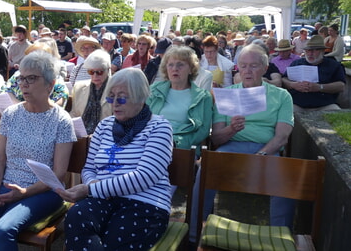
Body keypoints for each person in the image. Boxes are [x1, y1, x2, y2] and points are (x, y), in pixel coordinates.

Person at [0, 51, 76, 250]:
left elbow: (58, 174)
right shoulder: (11, 114)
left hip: (44, 191)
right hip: (7, 186)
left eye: (31, 78)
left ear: (50, 85)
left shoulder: (62, 120)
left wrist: (23, 193)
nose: (23, 84)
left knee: (3, 229)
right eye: (22, 78)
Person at [56, 68, 173, 250]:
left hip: (143, 203)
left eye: (122, 97)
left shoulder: (159, 127)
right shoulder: (104, 126)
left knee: (116, 238)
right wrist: (93, 185)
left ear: (140, 97)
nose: (115, 103)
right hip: (103, 199)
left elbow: (145, 176)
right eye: (111, 97)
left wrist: (92, 188)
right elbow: (89, 169)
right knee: (77, 216)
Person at [189, 43, 295, 244]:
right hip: (231, 147)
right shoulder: (227, 94)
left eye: (254, 66)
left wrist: (260, 156)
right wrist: (231, 129)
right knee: (206, 168)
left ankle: (281, 238)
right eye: (243, 66)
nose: (247, 71)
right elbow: (217, 139)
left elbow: (282, 137)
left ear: (264, 68)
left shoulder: (281, 96)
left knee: (285, 174)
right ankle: (194, 235)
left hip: (267, 149)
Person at [147, 46, 212, 157]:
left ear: (191, 69)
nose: (174, 69)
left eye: (180, 64)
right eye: (170, 65)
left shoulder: (203, 97)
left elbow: (203, 131)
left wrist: (177, 142)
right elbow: (142, 119)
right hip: (151, 143)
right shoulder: (154, 90)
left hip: (182, 150)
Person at [282, 35, 346, 112]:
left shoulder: (333, 65)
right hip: (297, 104)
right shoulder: (297, 63)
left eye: (315, 50)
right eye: (308, 50)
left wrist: (320, 87)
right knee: (284, 113)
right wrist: (293, 85)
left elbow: (341, 86)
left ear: (322, 51)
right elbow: (284, 79)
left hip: (325, 105)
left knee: (337, 114)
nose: (310, 53)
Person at [3, 41, 69, 107]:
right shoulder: (18, 75)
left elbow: (62, 97)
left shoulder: (54, 78)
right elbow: (6, 90)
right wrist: (20, 107)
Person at [69, 49, 112, 135]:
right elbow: (74, 114)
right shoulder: (79, 87)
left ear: (108, 70)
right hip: (81, 137)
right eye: (91, 72)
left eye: (99, 72)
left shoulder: (116, 90)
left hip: (106, 137)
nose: (95, 75)